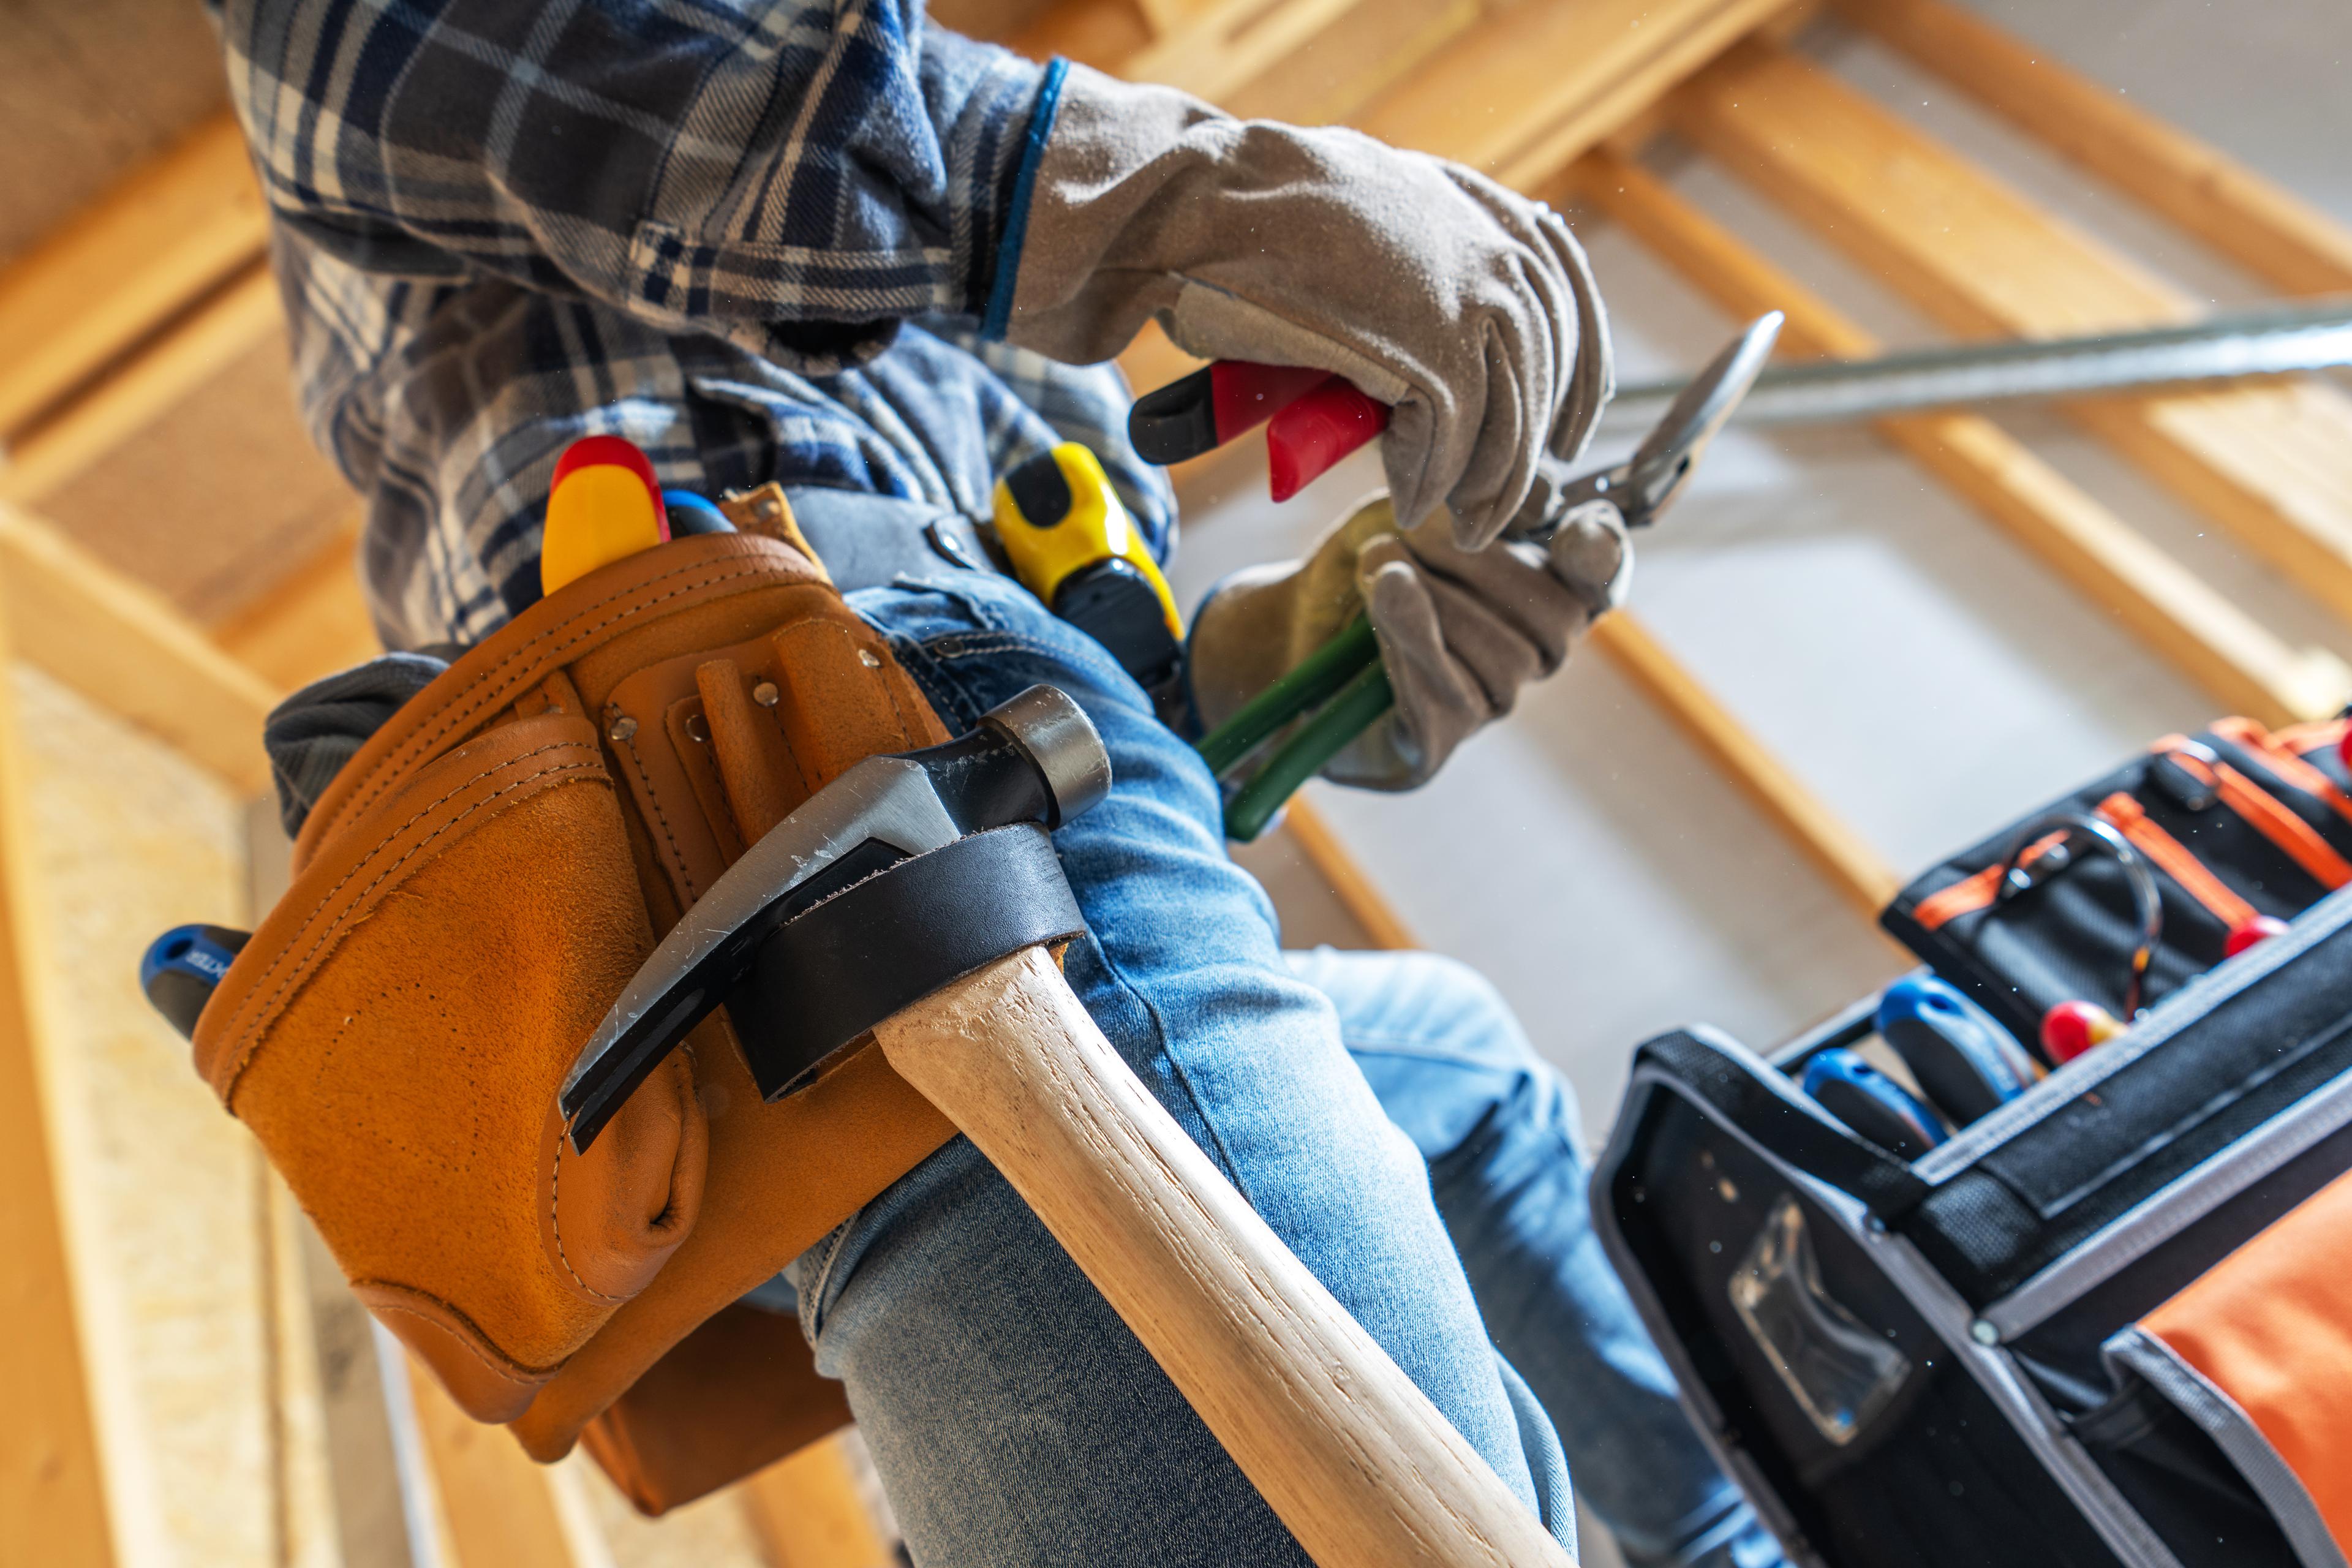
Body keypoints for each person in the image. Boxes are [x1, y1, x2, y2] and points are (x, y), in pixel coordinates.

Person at [209, 1, 1784, 1564]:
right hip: (755, 734)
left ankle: (1730, 1540)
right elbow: (350, 35)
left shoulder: (966, 291)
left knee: (1469, 1062)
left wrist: (1278, 683)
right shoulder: (804, 85)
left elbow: (1090, 710)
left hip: (828, 819)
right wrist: (1137, 188)